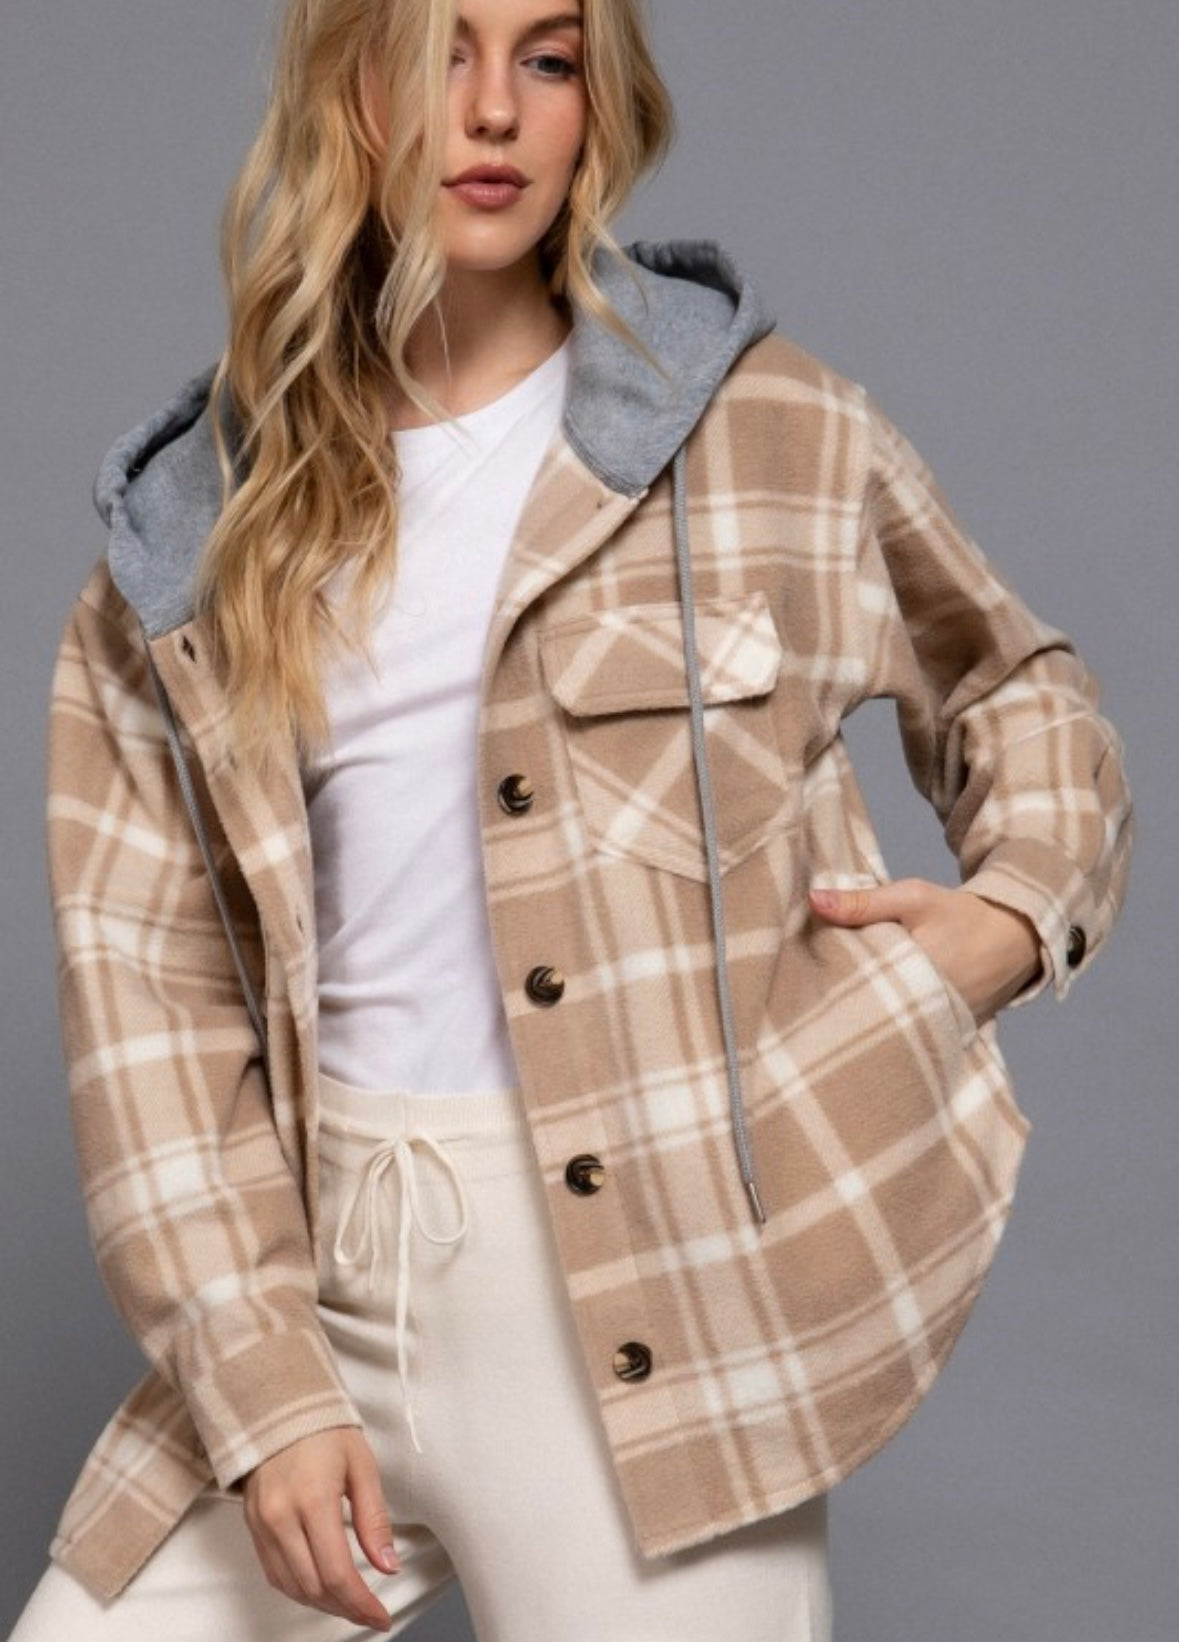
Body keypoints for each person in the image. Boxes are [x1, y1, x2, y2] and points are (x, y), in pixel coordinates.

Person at [8, 0, 1133, 1636]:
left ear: (596, 99)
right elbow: (145, 994)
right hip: (319, 1281)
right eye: (437, 53)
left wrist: (1016, 914)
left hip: (651, 1304)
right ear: (351, 91)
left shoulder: (761, 431)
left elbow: (1018, 686)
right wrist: (263, 1380)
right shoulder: (202, 527)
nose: (492, 111)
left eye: (544, 58)